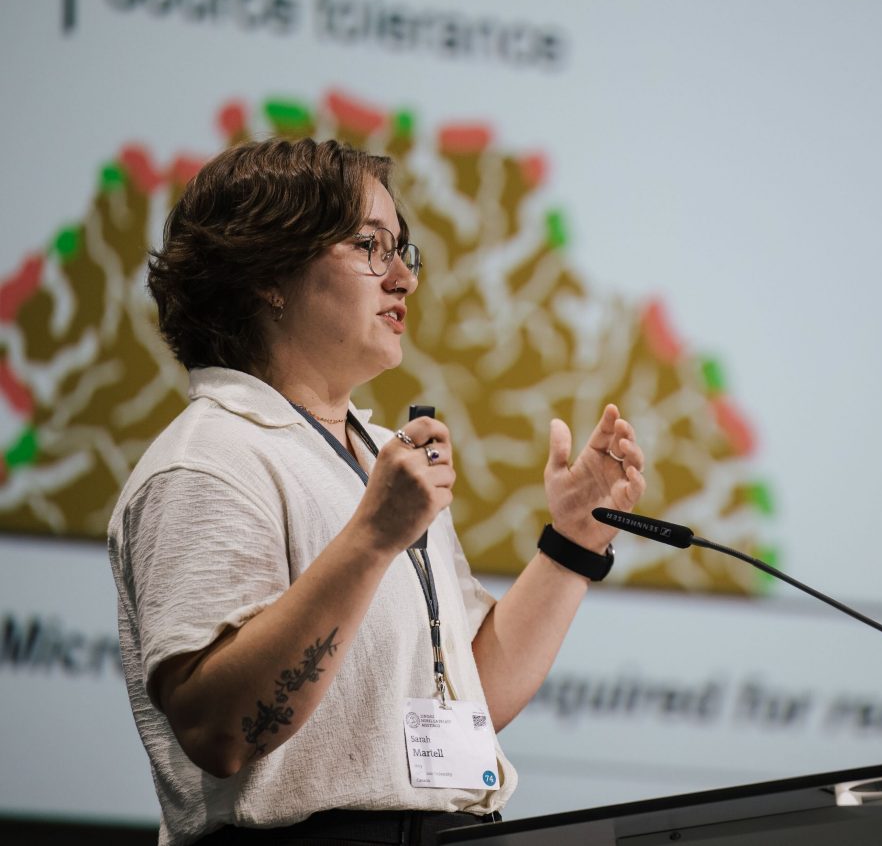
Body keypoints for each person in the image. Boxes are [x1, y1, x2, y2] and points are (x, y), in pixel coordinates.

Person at [107, 138, 647, 846]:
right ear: (269, 273)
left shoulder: (379, 453)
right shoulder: (208, 461)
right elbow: (220, 731)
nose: (404, 279)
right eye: (369, 246)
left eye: (401, 250)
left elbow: (471, 693)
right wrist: (372, 537)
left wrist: (575, 541)